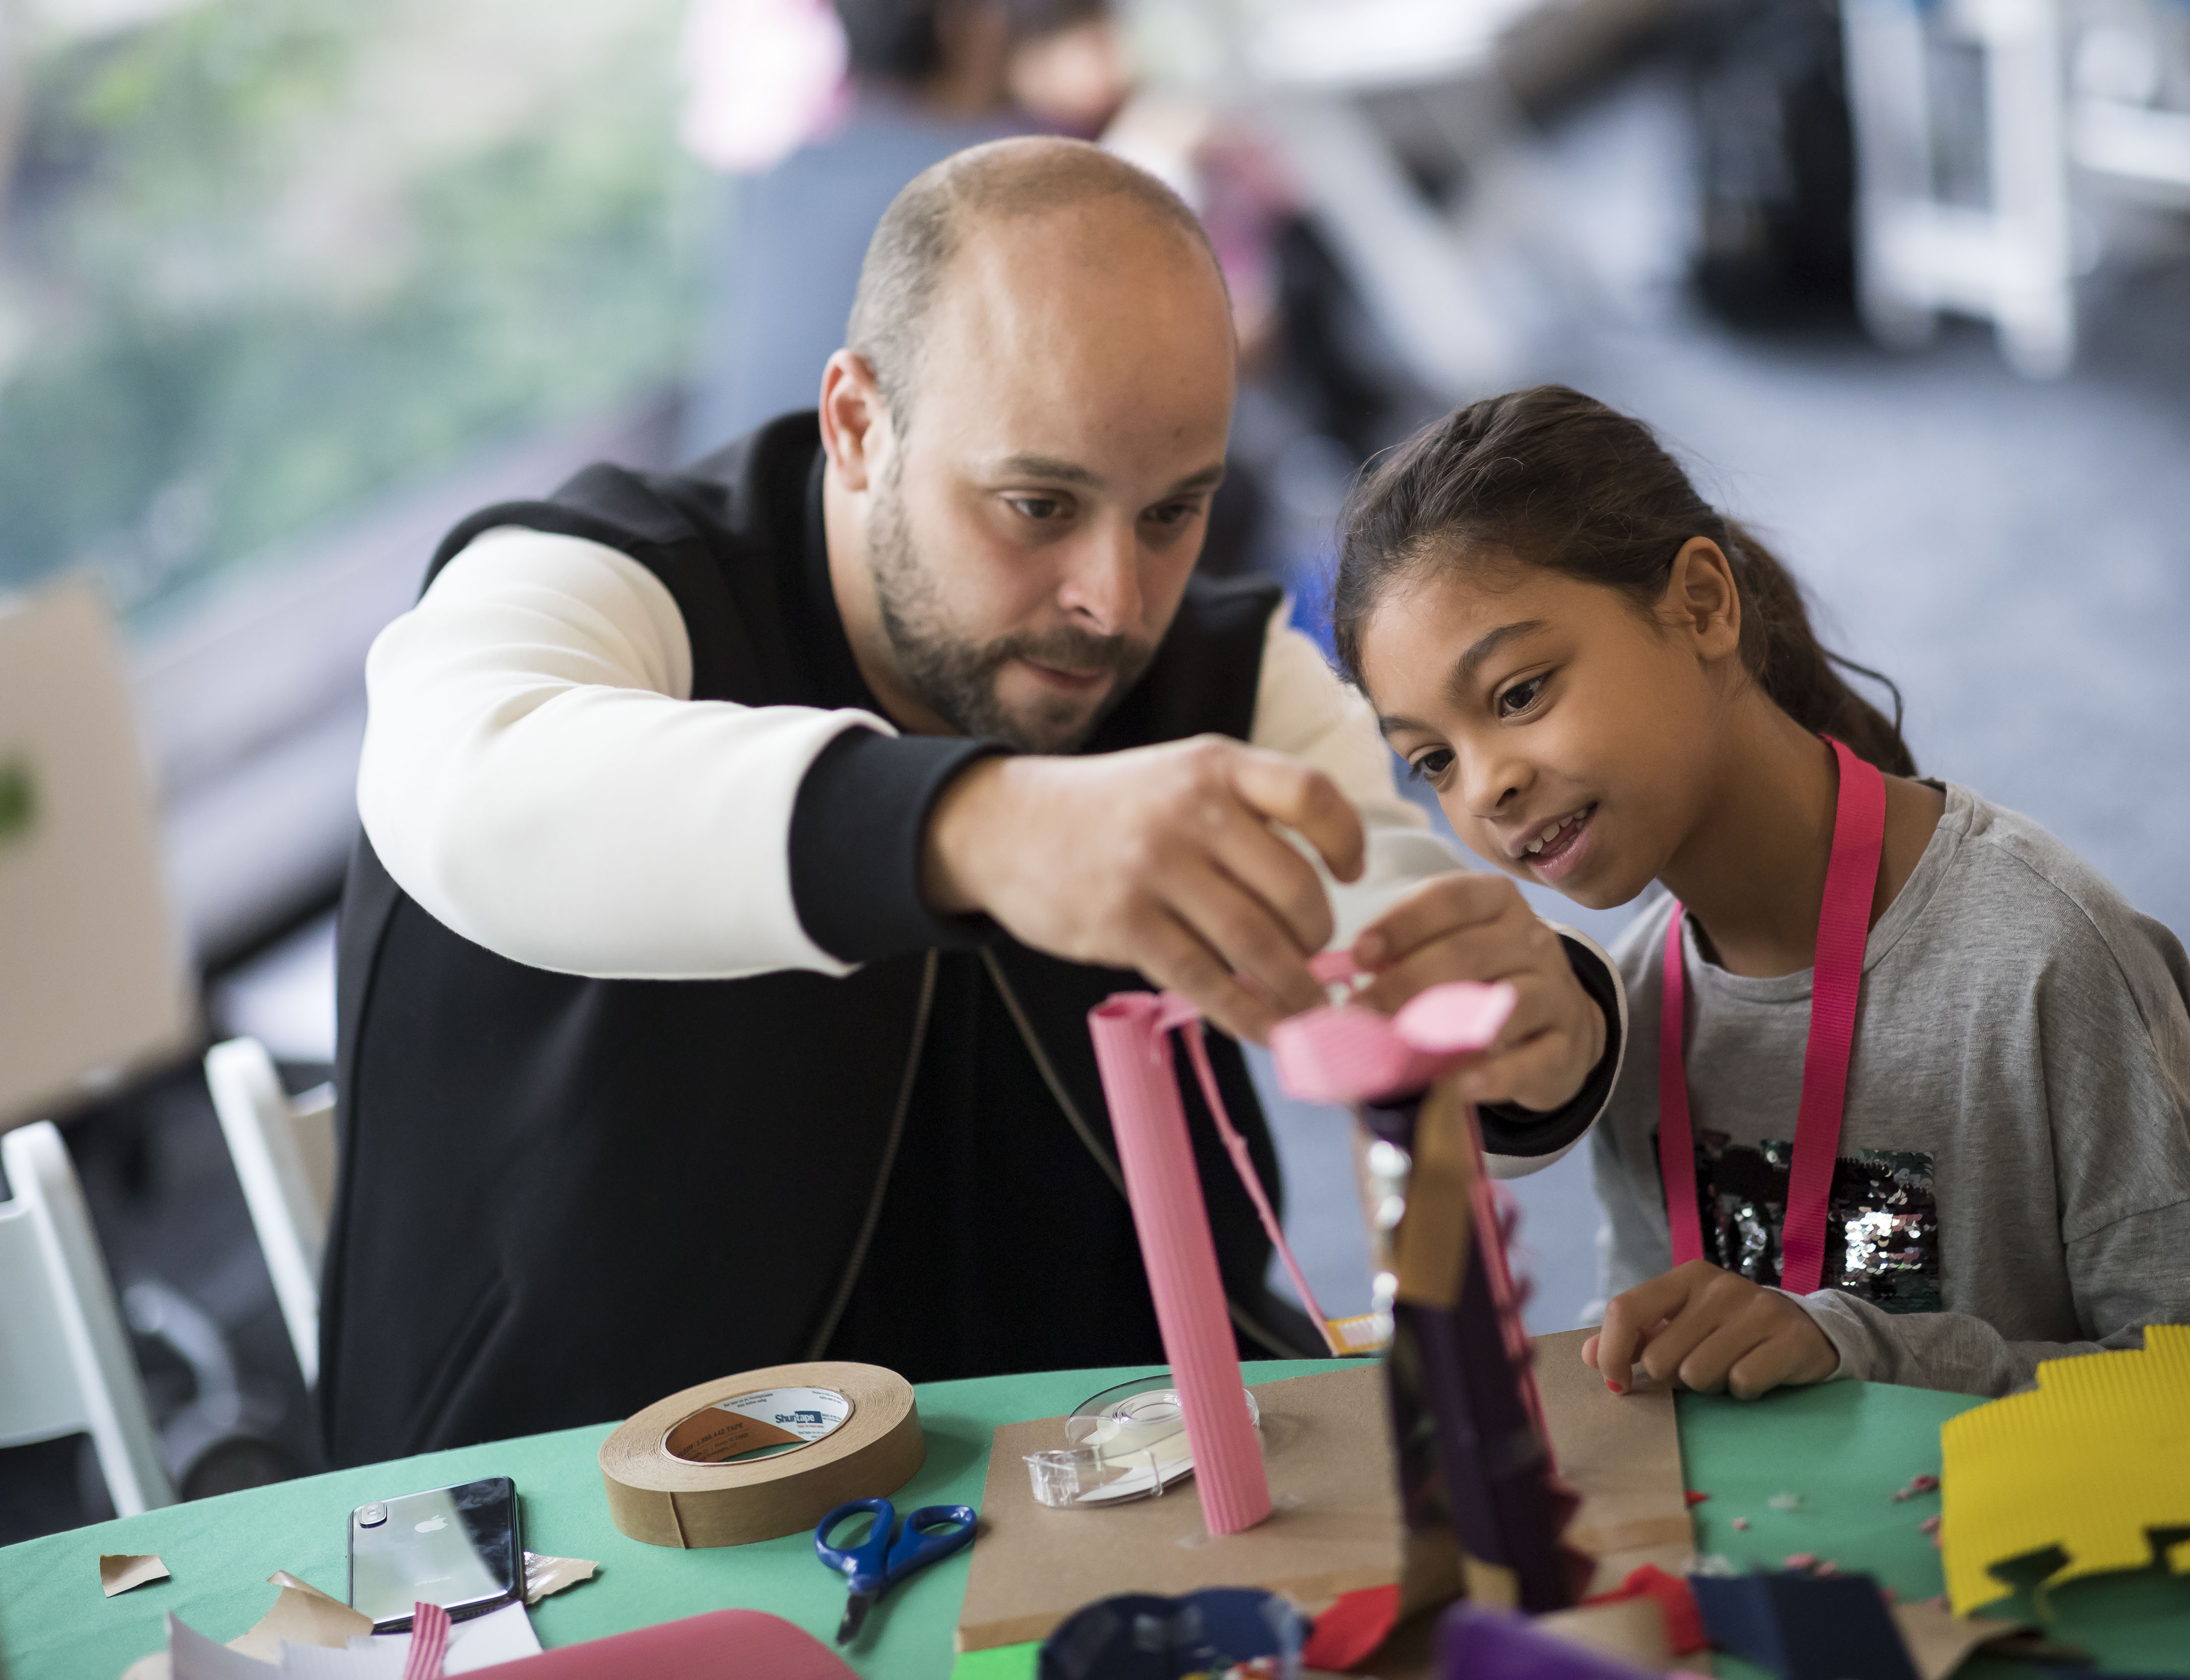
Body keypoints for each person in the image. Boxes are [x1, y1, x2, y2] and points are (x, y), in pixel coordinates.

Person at [324, 143, 1623, 1464]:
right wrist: (979, 826)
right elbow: (462, 779)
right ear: (857, 426)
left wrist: (1535, 1024)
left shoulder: (1220, 678)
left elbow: (1392, 907)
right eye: (1036, 503)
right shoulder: (595, 584)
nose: (1112, 602)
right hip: (588, 1537)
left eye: (1174, 512)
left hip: (1141, 1480)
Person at [1329, 384, 2190, 1401]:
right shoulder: (1638, 1003)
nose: (1486, 786)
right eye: (1431, 760)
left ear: (1701, 603)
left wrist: (1858, 1353)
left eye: (1520, 693)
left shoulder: (2043, 952)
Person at [678, 0, 1118, 460]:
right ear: (959, 28)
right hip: (870, 518)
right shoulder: (1001, 183)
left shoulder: (777, 181)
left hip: (737, 506)